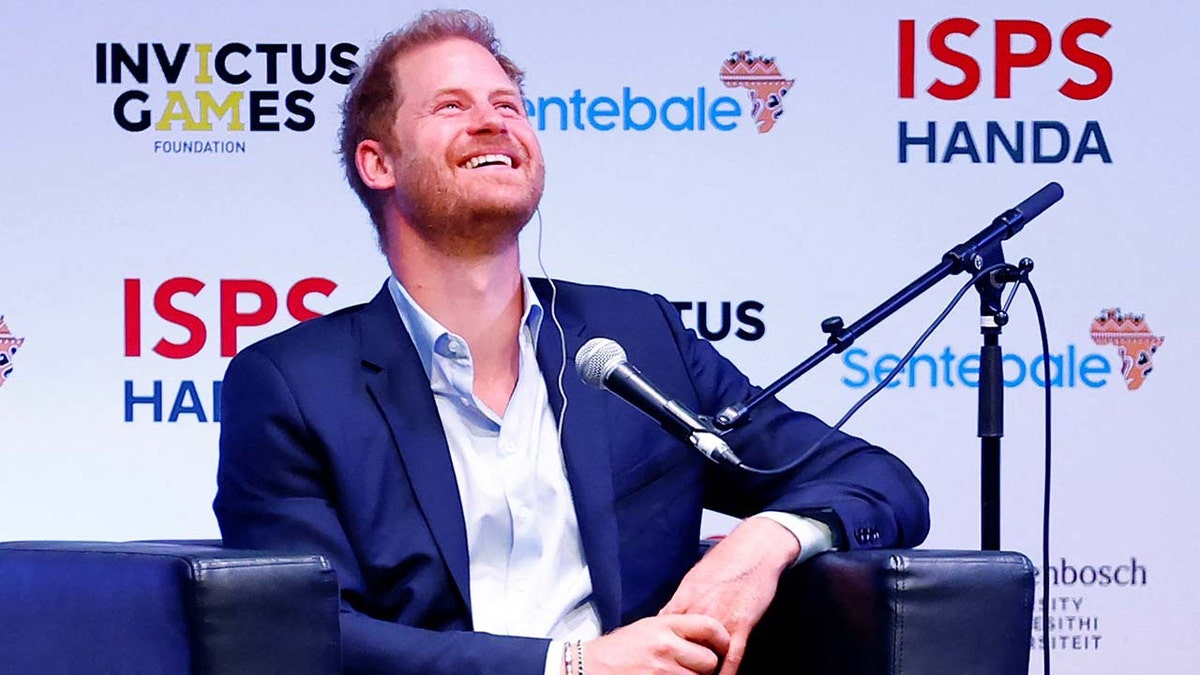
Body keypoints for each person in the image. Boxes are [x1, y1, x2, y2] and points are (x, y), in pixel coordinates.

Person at [214, 9, 930, 675]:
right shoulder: (293, 384)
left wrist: (764, 540)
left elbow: (880, 481)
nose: (493, 123)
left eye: (508, 106)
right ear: (379, 164)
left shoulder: (641, 339)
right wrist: (571, 667)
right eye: (452, 106)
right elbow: (302, 631)